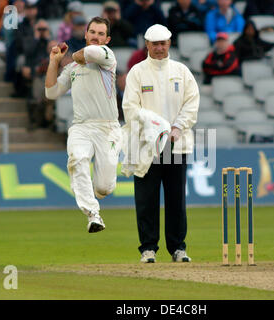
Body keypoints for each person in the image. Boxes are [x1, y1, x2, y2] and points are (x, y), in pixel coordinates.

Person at [122, 24, 200, 263]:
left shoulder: (181, 71)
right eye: (154, 44)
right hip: (147, 145)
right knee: (146, 200)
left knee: (177, 200)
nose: (159, 48)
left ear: (169, 43)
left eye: (163, 43)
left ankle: (178, 248)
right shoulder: (137, 72)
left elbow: (192, 103)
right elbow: (130, 108)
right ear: (147, 44)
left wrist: (176, 128)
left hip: (177, 144)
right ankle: (148, 248)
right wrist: (155, 128)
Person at [45, 17, 122, 233]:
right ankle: (93, 215)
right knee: (77, 159)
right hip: (81, 126)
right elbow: (51, 92)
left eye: (100, 34)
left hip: (107, 128)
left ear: (107, 39)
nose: (96, 37)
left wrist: (73, 56)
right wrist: (54, 61)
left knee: (104, 188)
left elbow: (88, 54)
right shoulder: (72, 69)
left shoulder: (107, 56)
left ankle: (97, 195)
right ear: (85, 34)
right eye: (93, 33)